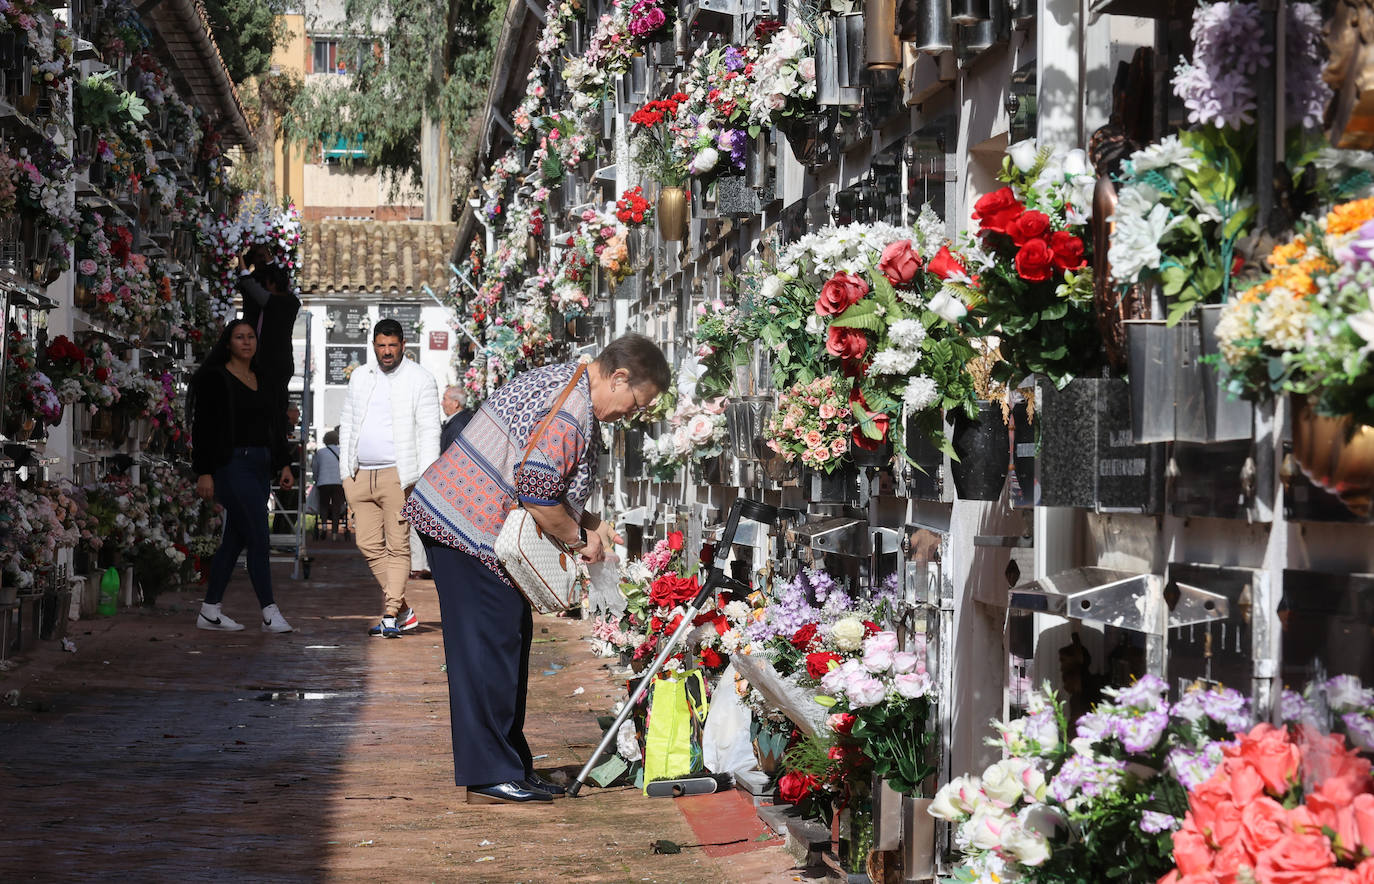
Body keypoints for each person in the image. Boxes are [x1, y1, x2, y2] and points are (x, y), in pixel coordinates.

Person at [402, 334, 670, 804]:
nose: (628, 415)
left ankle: (510, 765)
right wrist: (576, 539)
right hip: (465, 526)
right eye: (632, 404)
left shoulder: (571, 383)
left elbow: (536, 471)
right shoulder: (573, 410)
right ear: (619, 377)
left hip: (466, 519)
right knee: (487, 647)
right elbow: (536, 488)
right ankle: (489, 775)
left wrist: (587, 521)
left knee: (507, 638)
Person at [190, 319, 295, 633]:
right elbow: (203, 428)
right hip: (231, 465)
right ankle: (269, 611)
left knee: (235, 540)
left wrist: (284, 464)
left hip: (260, 464)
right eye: (239, 337)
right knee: (259, 536)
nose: (246, 342)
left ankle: (210, 610)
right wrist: (204, 471)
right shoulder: (215, 378)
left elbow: (275, 427)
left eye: (251, 337)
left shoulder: (262, 378)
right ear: (228, 342)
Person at [339, 319, 441, 638]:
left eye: (392, 345)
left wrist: (422, 478)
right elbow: (347, 422)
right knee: (367, 544)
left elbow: (429, 430)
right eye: (381, 345)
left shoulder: (420, 379)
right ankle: (405, 611)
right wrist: (345, 473)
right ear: (373, 346)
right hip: (360, 475)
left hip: (399, 475)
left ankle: (389, 615)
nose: (386, 351)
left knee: (398, 547)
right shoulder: (360, 376)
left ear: (402, 345)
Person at [238, 250, 301, 401]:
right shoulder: (293, 302)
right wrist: (270, 261)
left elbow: (248, 281)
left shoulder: (272, 302)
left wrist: (240, 257)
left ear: (271, 284)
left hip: (268, 362)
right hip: (284, 361)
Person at [311, 428, 346, 541]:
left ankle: (324, 526)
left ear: (325, 440)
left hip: (323, 482)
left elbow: (315, 468)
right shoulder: (342, 452)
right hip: (338, 483)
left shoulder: (320, 453)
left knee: (324, 505)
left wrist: (316, 480)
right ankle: (335, 533)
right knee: (337, 506)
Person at [440, 385, 474, 454]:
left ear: (456, 403)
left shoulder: (458, 426)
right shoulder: (461, 420)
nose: (441, 403)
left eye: (444, 399)